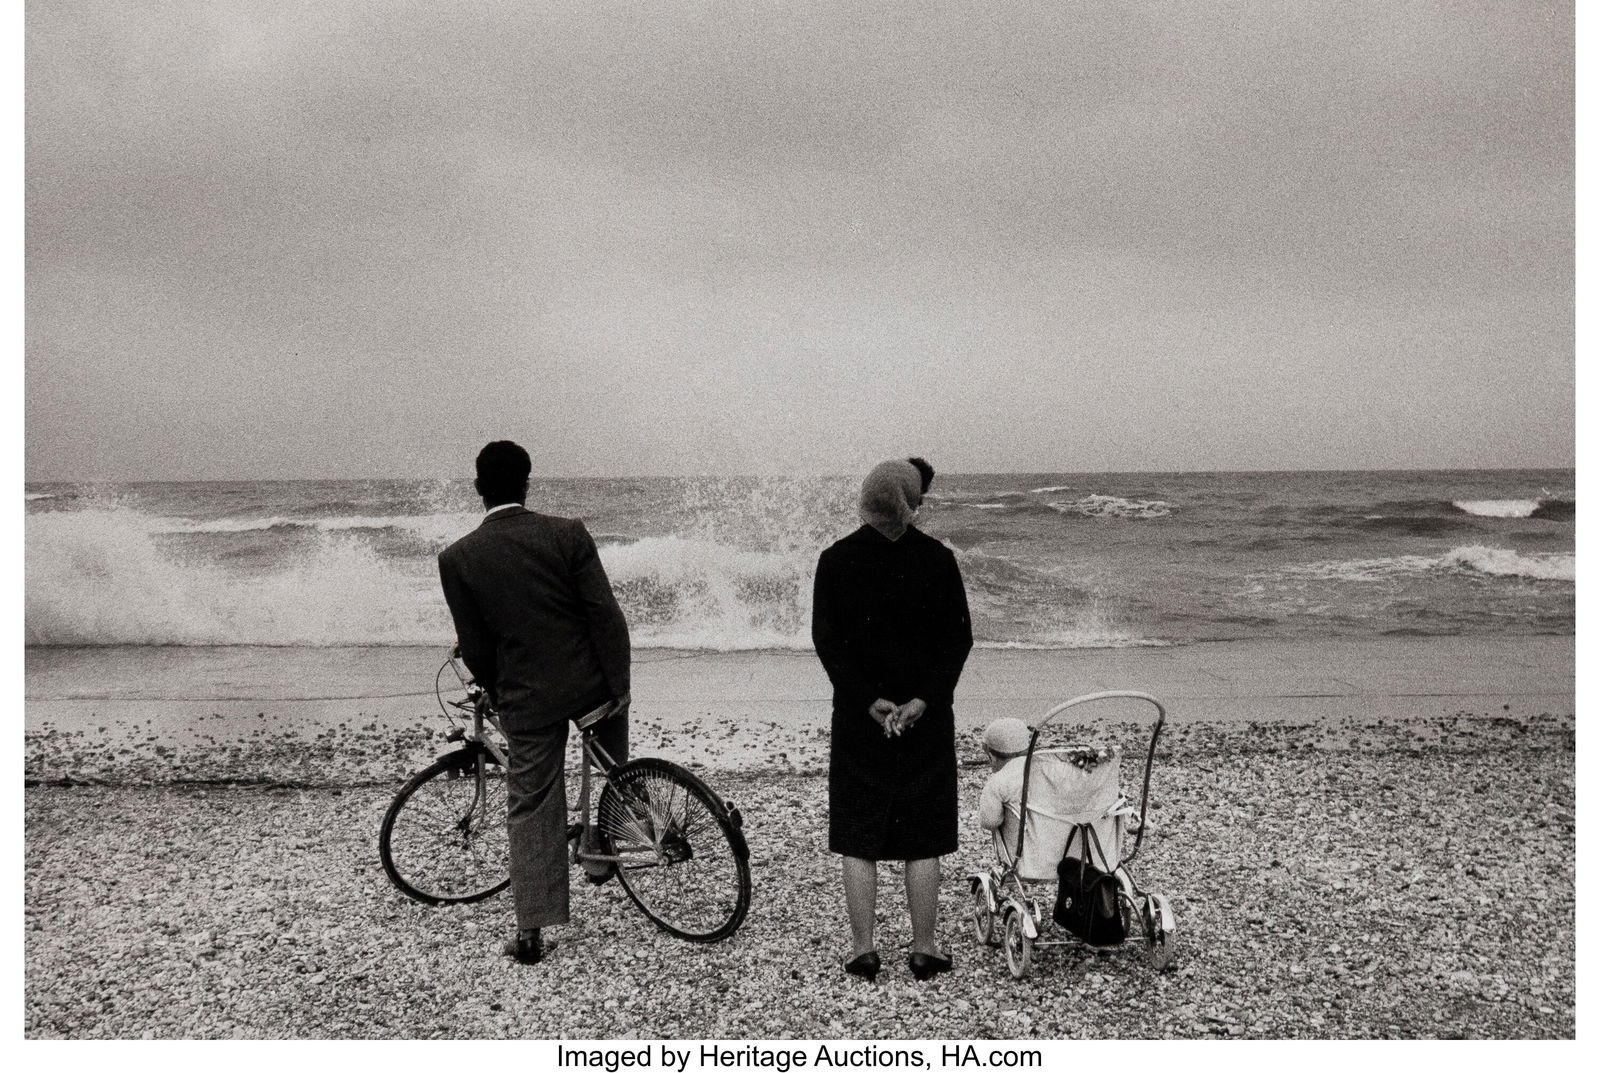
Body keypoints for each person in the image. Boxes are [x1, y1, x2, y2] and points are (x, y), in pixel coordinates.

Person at [438, 440, 632, 966]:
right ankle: (603, 850)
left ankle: (531, 931)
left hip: (528, 697)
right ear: (527, 483)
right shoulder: (567, 534)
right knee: (614, 766)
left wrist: (500, 693)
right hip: (590, 683)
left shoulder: (457, 558)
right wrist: (619, 684)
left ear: (479, 488)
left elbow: (476, 647)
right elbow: (605, 617)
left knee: (532, 803)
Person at [812, 457, 973, 982]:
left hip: (861, 719)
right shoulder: (937, 559)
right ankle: (924, 948)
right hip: (925, 718)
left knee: (859, 832)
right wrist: (923, 699)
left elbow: (828, 644)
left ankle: (864, 950)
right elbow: (957, 641)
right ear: (912, 500)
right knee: (923, 834)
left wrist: (867, 700)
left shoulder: (835, 560)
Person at [978, 717, 1122, 877]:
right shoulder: (1057, 771)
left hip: (1036, 863)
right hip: (1092, 855)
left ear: (993, 756)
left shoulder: (1000, 781)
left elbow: (989, 822)